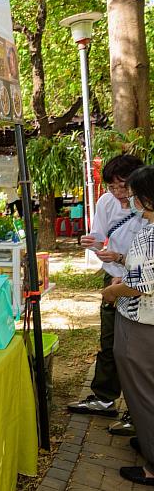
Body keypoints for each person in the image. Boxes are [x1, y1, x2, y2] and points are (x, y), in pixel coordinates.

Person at [68, 155, 145, 437]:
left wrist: (123, 266)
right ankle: (104, 397)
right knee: (111, 340)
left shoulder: (146, 205)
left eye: (123, 186)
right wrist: (93, 244)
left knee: (139, 349)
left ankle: (138, 412)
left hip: (139, 282)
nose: (118, 193)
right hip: (113, 277)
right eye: (112, 187)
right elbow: (100, 237)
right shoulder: (106, 202)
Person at [101, 165, 154, 486]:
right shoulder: (147, 227)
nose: (128, 199)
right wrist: (121, 260)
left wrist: (112, 291)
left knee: (144, 391)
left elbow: (141, 285)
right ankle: (147, 439)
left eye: (133, 194)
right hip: (139, 319)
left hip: (140, 322)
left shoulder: (152, 232)